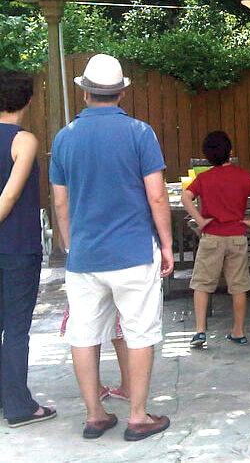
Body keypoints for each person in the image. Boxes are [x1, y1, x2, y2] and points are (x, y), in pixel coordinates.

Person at [50, 53, 174, 440]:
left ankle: (94, 415)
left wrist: (72, 247)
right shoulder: (141, 133)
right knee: (139, 332)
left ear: (85, 92)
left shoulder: (65, 137)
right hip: (135, 252)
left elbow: (59, 203)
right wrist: (167, 245)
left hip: (85, 256)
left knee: (83, 335)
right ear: (121, 93)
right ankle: (138, 416)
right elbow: (157, 197)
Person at [0, 69, 57, 428]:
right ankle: (19, 405)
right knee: (16, 328)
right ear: (29, 100)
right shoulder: (24, 140)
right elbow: (11, 193)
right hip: (18, 246)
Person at [182, 130, 250, 347]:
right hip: (237, 238)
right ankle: (238, 331)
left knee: (202, 284)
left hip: (211, 236)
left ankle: (200, 330)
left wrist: (200, 220)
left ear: (207, 157)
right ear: (231, 152)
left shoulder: (203, 178)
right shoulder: (243, 176)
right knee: (238, 286)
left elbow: (186, 197)